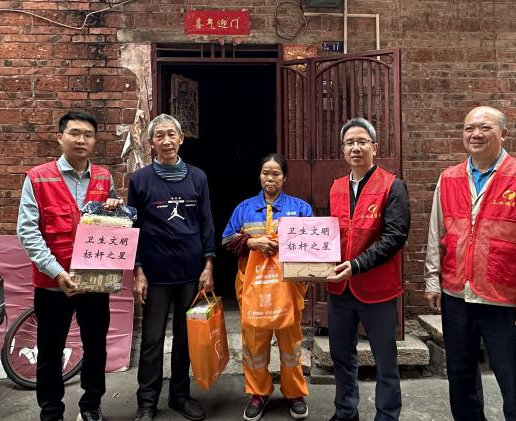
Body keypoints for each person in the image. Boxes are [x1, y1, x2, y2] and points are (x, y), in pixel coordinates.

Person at [424, 106, 516, 421]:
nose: (476, 134)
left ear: (503, 133)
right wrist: (432, 279)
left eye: (485, 127)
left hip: (505, 299)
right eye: (469, 128)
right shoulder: (449, 178)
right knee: (460, 378)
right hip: (457, 295)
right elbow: (436, 233)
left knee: (514, 381)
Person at [16, 110, 122, 421]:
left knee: (95, 347)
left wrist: (115, 209)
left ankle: (91, 405)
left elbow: (114, 225)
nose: (81, 140)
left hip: (95, 281)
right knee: (50, 351)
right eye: (74, 133)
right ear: (60, 137)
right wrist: (56, 272)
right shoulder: (38, 177)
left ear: (95, 141)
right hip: (53, 283)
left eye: (88, 135)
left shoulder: (104, 177)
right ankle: (51, 412)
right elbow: (27, 231)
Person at [129, 114, 215, 421]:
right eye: (159, 136)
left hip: (191, 272)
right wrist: (138, 271)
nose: (166, 141)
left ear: (181, 138)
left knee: (185, 337)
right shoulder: (140, 180)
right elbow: (134, 227)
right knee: (152, 339)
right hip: (155, 273)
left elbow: (206, 222)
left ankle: (180, 395)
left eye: (171, 135)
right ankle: (147, 402)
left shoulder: (198, 177)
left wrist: (208, 265)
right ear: (151, 143)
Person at [326, 117, 410, 421]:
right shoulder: (336, 187)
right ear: (343, 150)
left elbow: (395, 236)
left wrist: (357, 265)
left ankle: (387, 415)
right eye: (350, 143)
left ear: (375, 147)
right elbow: (329, 236)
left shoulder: (392, 186)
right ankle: (345, 411)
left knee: (385, 360)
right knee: (341, 356)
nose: (356, 148)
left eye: (362, 142)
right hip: (340, 289)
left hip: (377, 289)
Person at [222, 154, 311, 421]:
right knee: (254, 344)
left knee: (291, 345)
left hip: (288, 288)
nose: (270, 178)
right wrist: (252, 243)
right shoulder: (244, 208)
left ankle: (294, 393)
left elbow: (313, 245)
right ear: (259, 176)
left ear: (285, 177)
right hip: (253, 288)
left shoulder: (300, 208)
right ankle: (258, 393)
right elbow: (227, 240)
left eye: (276, 174)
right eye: (265, 173)